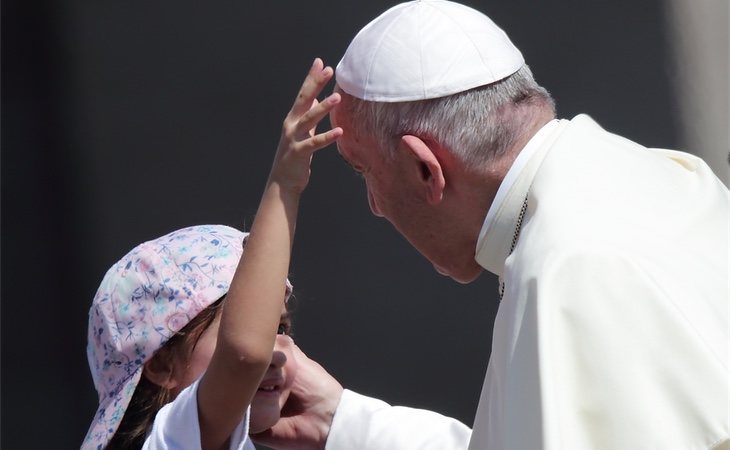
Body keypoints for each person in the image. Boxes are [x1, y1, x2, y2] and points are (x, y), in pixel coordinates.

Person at [262, 1, 730, 449]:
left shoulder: (564, 274)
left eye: (363, 171)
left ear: (425, 168)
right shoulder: (661, 175)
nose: (375, 207)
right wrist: (346, 425)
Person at [81, 58, 344, 450]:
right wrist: (283, 186)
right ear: (162, 364)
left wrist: (339, 419)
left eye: (280, 329)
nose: (274, 350)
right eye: (245, 320)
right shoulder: (169, 439)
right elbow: (243, 356)